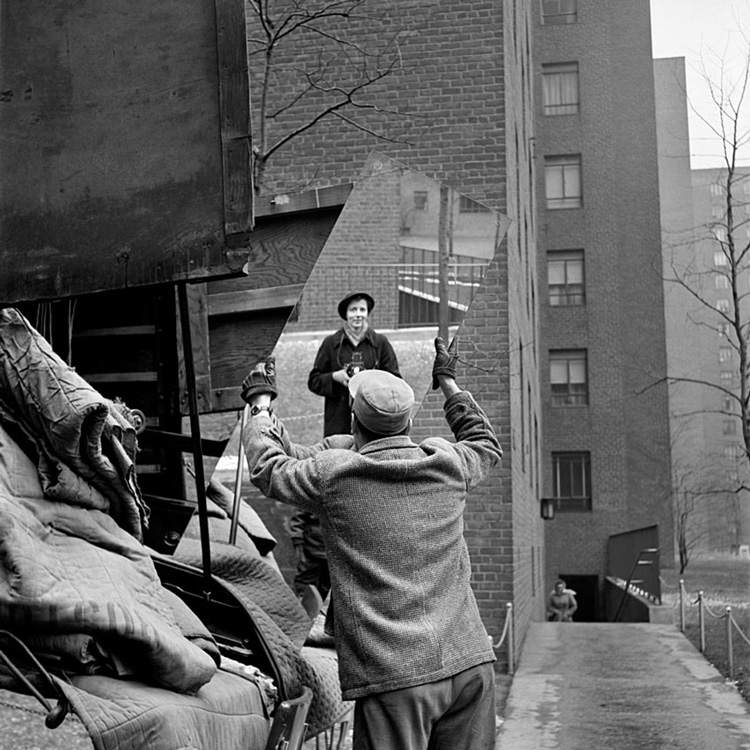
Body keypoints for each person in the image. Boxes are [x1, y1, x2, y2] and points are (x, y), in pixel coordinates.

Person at [240, 337, 502, 750]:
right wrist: (448, 381)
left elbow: (269, 466)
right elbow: (484, 441)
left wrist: (260, 403)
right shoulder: (446, 464)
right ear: (410, 424)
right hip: (470, 665)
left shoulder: (335, 477)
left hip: (397, 681)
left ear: (353, 422)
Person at [290, 291, 401, 599]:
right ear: (345, 315)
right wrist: (337, 378)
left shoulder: (380, 345)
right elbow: (314, 381)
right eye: (353, 310)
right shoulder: (331, 344)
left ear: (368, 314)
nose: (358, 315)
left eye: (362, 310)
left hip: (371, 429)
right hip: (339, 425)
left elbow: (395, 380)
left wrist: (370, 379)